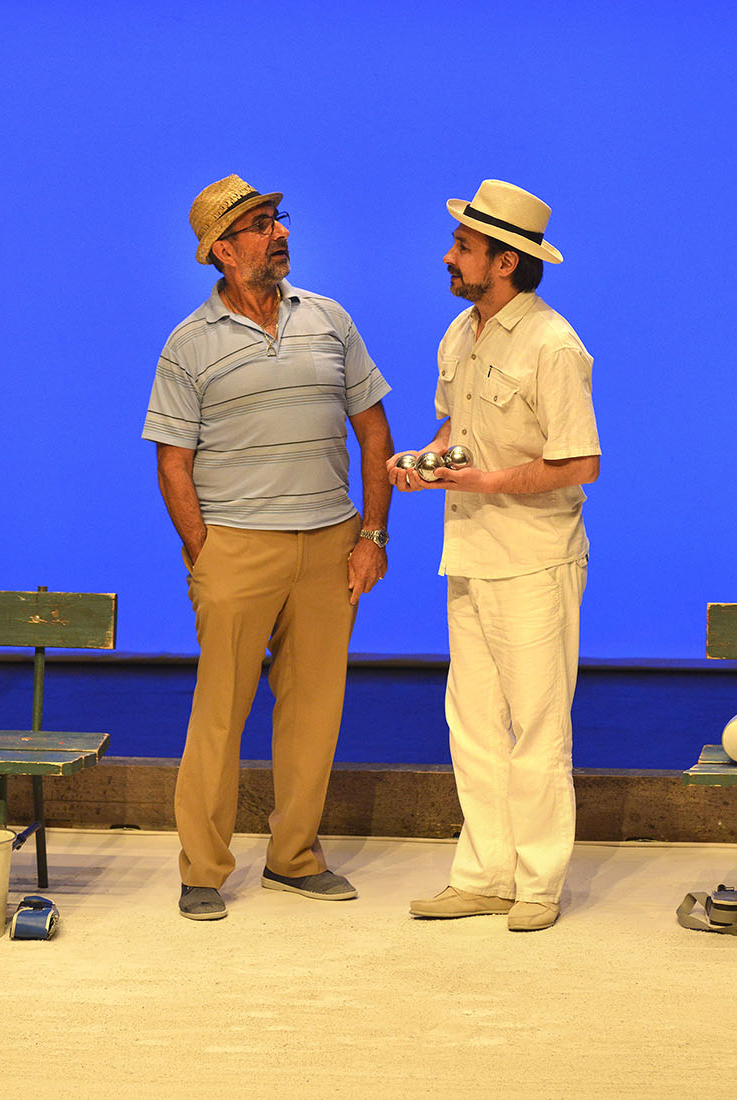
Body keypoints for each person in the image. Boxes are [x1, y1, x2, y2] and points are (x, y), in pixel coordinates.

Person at [143, 174, 394, 921]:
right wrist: (206, 553)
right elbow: (172, 463)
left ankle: (294, 858)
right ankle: (203, 870)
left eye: (277, 219)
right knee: (219, 714)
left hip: (330, 544)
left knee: (314, 712)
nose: (279, 232)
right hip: (237, 549)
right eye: (260, 225)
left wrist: (372, 535)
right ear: (223, 251)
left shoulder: (330, 320)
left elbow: (374, 433)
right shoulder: (189, 344)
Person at [394, 180, 601, 932]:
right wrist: (425, 460)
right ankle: (484, 875)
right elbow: (455, 429)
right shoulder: (460, 334)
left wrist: (485, 480)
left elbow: (580, 463)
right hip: (470, 553)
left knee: (538, 726)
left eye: (464, 247)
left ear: (505, 262)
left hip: (534, 558)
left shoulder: (554, 345)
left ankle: (538, 884)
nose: (450, 257)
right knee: (473, 724)